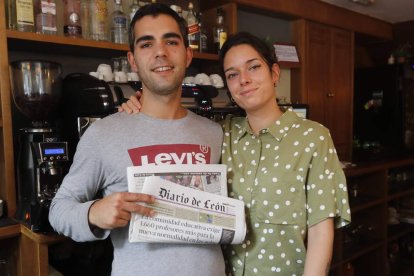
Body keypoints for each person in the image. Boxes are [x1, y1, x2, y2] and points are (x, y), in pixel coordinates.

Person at [120, 31, 351, 275]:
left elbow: (320, 229)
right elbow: (173, 129)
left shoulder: (313, 137)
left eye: (253, 68)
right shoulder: (220, 134)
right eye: (232, 74)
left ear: (274, 73)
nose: (244, 80)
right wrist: (138, 106)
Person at [49, 3, 225, 276]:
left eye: (171, 41)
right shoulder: (103, 134)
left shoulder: (214, 133)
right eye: (146, 44)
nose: (160, 52)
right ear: (132, 60)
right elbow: (59, 210)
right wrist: (94, 213)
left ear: (188, 55)